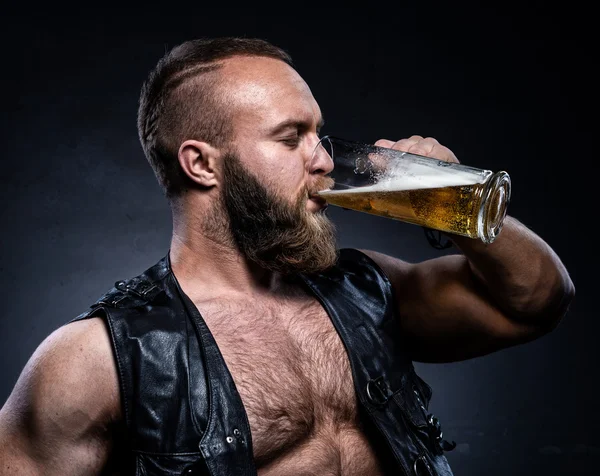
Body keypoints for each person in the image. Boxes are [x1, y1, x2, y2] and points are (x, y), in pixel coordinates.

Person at [0, 37, 574, 476]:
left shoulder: (367, 289)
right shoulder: (94, 360)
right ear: (201, 164)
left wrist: (456, 209)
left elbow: (537, 302)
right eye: (289, 137)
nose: (323, 160)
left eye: (319, 135)